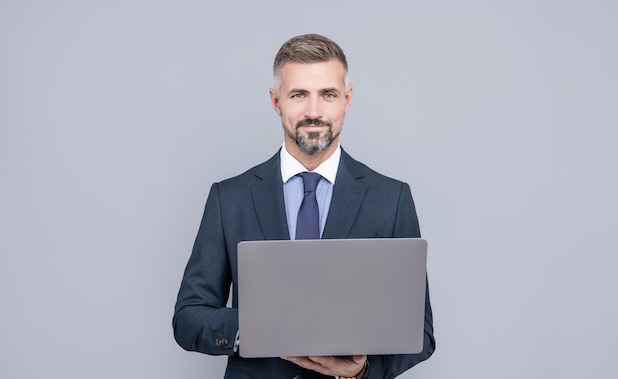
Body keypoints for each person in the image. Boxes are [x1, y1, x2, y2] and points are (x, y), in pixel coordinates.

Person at [173, 33, 435, 379]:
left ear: (347, 99)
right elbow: (189, 316)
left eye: (328, 95)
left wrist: (362, 370)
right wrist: (258, 326)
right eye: (298, 95)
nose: (314, 112)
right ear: (276, 101)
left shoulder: (391, 198)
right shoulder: (230, 198)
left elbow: (421, 333)